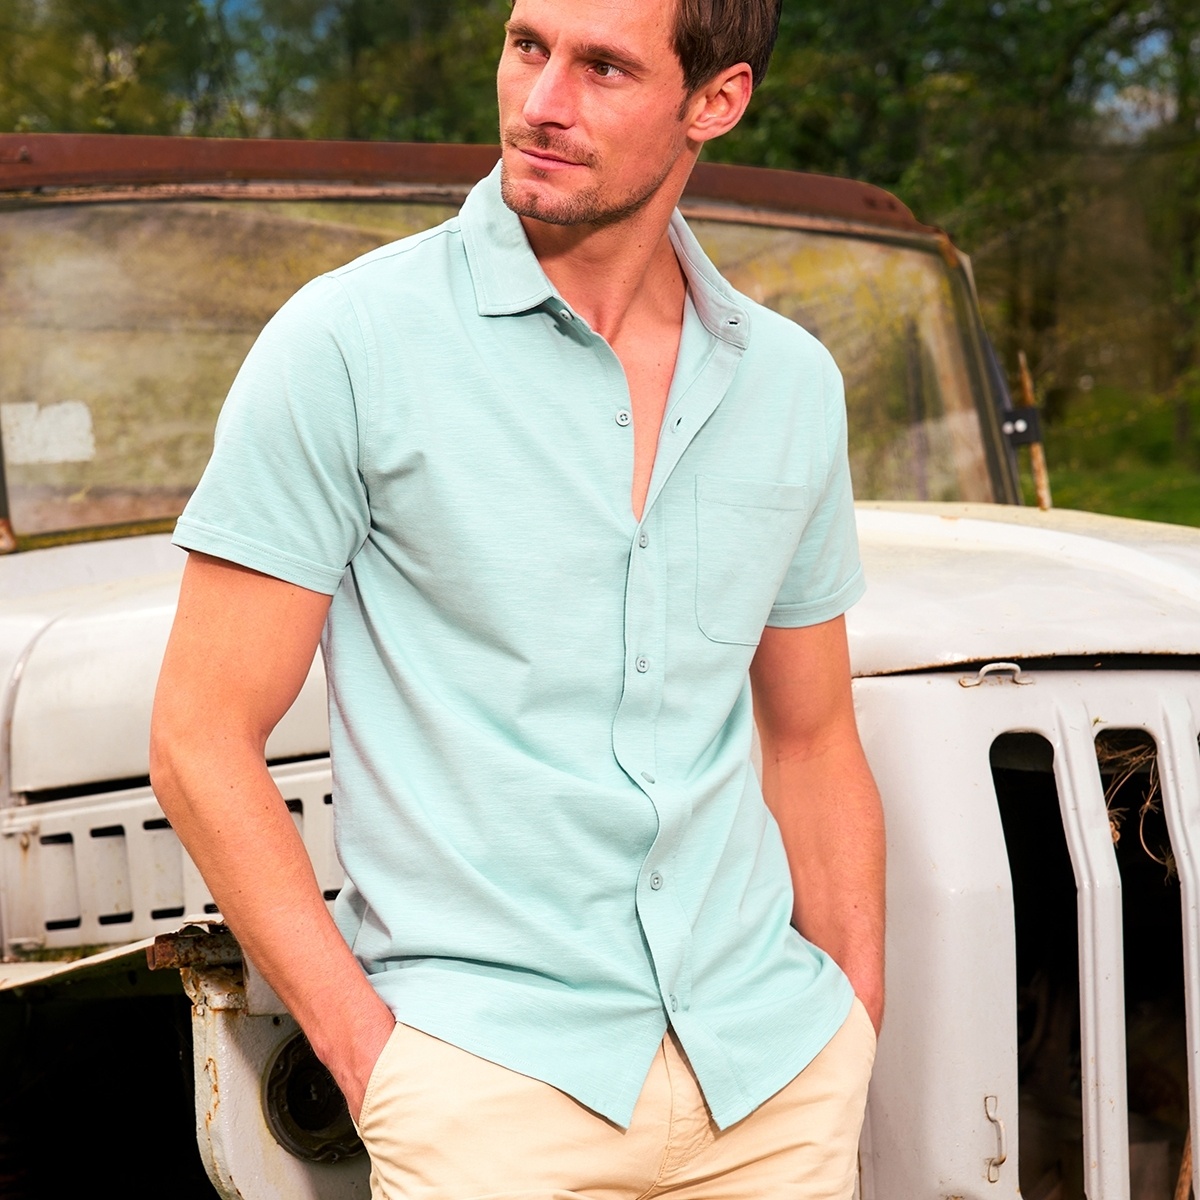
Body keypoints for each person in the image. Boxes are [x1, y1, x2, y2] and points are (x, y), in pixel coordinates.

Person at [150, 0, 885, 1195]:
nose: (542, 102)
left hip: (772, 1082)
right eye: (527, 46)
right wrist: (374, 1059)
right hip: (486, 1094)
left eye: (603, 67)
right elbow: (198, 735)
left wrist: (852, 1019)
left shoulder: (791, 384)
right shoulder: (349, 343)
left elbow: (812, 739)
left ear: (716, 101)